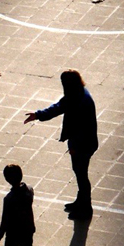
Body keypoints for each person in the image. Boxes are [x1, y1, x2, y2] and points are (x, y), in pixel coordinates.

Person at [24, 69, 98, 220]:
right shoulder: (78, 94)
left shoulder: (79, 100)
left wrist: (74, 147)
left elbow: (80, 128)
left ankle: (85, 208)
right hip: (85, 143)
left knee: (81, 175)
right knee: (79, 173)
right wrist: (38, 115)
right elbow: (59, 106)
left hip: (82, 145)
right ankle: (81, 201)